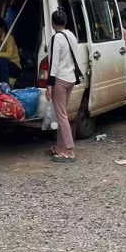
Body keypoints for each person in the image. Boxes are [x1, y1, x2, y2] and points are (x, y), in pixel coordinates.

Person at [47, 9, 79, 163]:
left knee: (61, 115)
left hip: (60, 79)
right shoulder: (71, 35)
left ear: (53, 23)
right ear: (65, 22)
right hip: (71, 78)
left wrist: (49, 85)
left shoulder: (56, 38)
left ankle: (69, 150)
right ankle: (60, 147)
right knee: (63, 114)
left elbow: (53, 63)